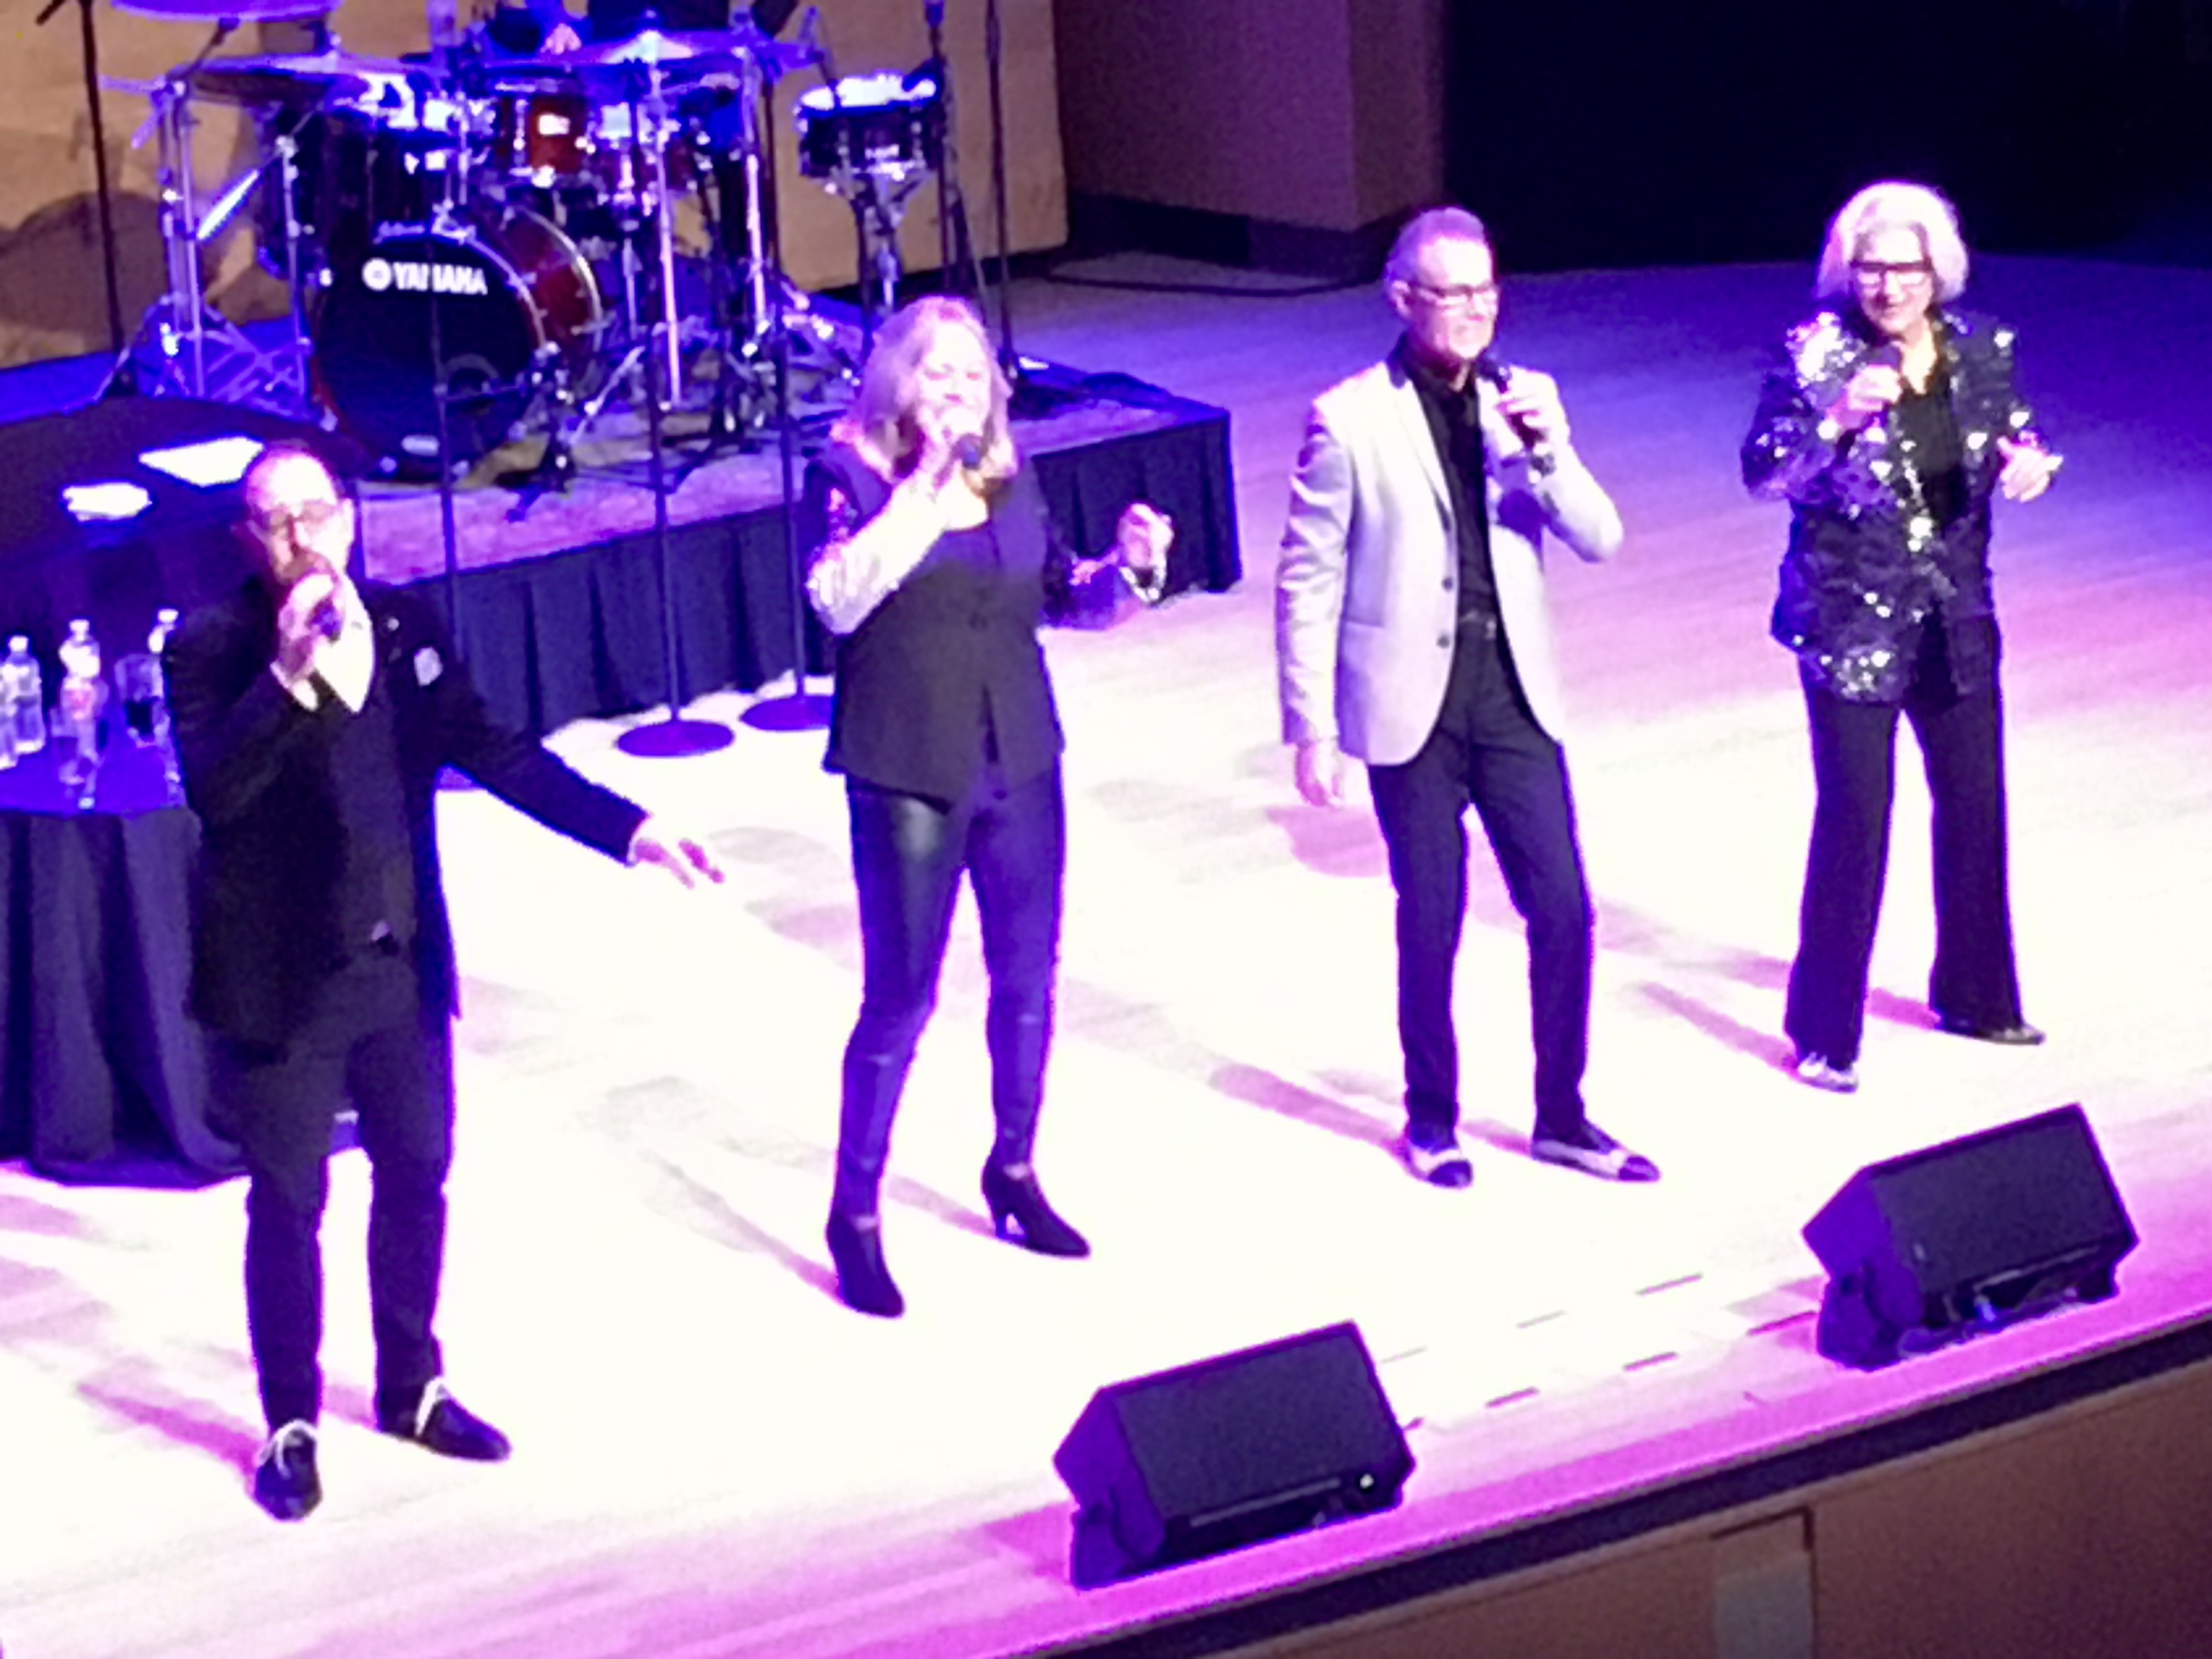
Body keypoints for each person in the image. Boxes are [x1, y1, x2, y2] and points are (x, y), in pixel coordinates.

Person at [166, 442, 723, 1522]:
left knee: (419, 1171)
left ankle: (412, 1385)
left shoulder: (405, 629)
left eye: (318, 513)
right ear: (249, 541)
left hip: (398, 964)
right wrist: (286, 675)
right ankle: (289, 1424)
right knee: (288, 1204)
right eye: (277, 522)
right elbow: (214, 793)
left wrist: (631, 828)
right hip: (282, 985)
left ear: (350, 519)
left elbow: (500, 753)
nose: (302, 537)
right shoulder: (214, 647)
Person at [800, 296, 1172, 1318]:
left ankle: (1013, 1169)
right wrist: (926, 488)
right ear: (898, 381)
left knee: (1028, 978)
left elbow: (1064, 594)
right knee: (901, 998)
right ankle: (854, 1214)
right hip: (907, 764)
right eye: (939, 373)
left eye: (975, 375)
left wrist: (1131, 573)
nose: (960, 392)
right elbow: (837, 600)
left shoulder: (1011, 473)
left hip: (1020, 756)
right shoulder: (847, 475)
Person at [1276, 206, 1657, 1189]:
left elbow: (1601, 537)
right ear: (1404, 299)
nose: (1477, 310)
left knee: (1564, 909)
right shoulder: (1349, 418)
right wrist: (1312, 726)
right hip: (1412, 703)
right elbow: (1308, 578)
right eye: (1453, 293)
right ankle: (1432, 1117)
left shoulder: (1523, 404)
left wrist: (1551, 448)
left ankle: (1563, 1115)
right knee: (1432, 917)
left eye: (1487, 290)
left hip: (1513, 693)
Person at [1743, 182, 2061, 1094]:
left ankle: (1976, 996)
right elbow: (1764, 472)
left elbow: (2017, 434)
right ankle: (1823, 1032)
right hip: (1849, 623)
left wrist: (2031, 464)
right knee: (1856, 822)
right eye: (1871, 269)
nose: (1887, 286)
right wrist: (1837, 418)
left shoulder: (1983, 350)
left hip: (1955, 620)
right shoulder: (1815, 354)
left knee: (1976, 810)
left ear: (1938, 271)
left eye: (1905, 268)